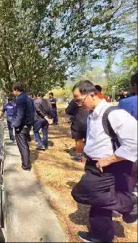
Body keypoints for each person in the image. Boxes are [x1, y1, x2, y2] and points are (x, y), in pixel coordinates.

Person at [70, 80, 137, 243]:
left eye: (79, 99)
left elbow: (134, 142)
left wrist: (108, 160)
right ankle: (101, 236)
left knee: (80, 193)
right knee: (99, 201)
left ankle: (130, 203)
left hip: (109, 166)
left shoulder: (114, 113)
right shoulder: (92, 115)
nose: (78, 104)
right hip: (94, 164)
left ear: (92, 94)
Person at [11, 83, 34, 171]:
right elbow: (32, 112)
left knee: (22, 145)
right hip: (27, 125)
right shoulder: (28, 98)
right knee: (25, 144)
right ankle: (26, 162)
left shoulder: (20, 99)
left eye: (13, 90)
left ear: (16, 90)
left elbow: (20, 115)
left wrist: (15, 125)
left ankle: (25, 166)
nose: (13, 92)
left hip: (21, 126)